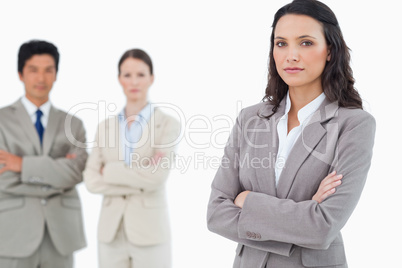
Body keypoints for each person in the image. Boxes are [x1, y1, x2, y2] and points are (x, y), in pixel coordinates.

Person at [207, 0, 376, 267]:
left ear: (330, 50)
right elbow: (216, 214)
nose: (291, 55)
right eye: (281, 43)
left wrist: (247, 200)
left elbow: (322, 227)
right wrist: (305, 212)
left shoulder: (354, 124)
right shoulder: (250, 119)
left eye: (306, 42)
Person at [84, 48, 180, 268]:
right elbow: (90, 179)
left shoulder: (167, 124)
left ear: (151, 78)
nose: (134, 81)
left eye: (141, 74)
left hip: (150, 233)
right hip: (110, 233)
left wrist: (110, 172)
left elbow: (157, 178)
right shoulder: (104, 127)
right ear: (119, 79)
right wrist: (140, 180)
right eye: (127, 75)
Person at [0, 40, 87, 267]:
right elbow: (4, 179)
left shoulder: (73, 124)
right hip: (13, 234)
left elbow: (76, 173)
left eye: (49, 70)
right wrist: (56, 171)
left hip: (61, 235)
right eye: (33, 70)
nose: (41, 78)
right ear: (20, 74)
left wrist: (22, 165)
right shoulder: (1, 121)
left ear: (56, 74)